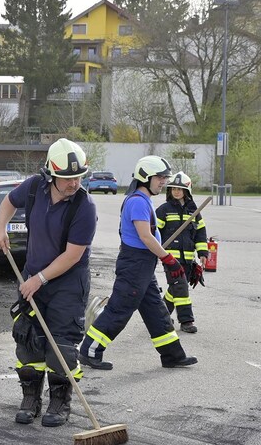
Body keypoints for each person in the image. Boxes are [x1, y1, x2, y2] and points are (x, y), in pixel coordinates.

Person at [0, 138, 97, 427]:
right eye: (66, 178)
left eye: (78, 177)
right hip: (33, 277)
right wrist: (0, 228)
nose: (73, 183)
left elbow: (73, 255)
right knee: (28, 340)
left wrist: (39, 279)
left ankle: (60, 402)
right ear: (50, 174)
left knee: (61, 345)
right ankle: (31, 399)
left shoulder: (84, 207)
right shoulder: (34, 188)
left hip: (67, 283)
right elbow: (7, 202)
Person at [79, 156, 198, 371]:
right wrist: (169, 259)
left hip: (142, 266)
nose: (163, 182)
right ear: (145, 177)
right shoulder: (137, 202)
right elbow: (146, 236)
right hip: (135, 265)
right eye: (160, 177)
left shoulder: (142, 200)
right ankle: (89, 351)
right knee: (119, 310)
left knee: (156, 311)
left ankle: (172, 355)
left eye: (164, 177)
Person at [156, 171, 208, 333]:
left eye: (179, 189)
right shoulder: (163, 210)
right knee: (181, 287)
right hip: (170, 259)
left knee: (175, 288)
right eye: (173, 189)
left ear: (187, 191)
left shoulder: (194, 212)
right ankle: (186, 321)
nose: (176, 192)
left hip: (188, 258)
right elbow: (154, 232)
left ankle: (160, 317)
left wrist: (203, 254)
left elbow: (200, 234)